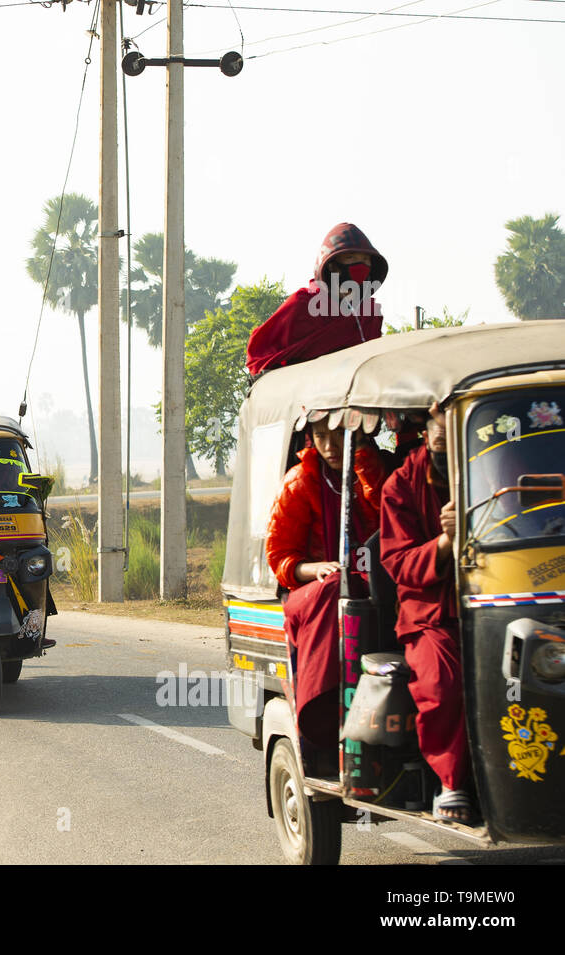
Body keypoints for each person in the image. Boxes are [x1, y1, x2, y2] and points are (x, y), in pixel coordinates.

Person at [266, 416, 387, 757]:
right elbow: (281, 560)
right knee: (338, 587)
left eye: (339, 436)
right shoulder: (300, 481)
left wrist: (362, 460)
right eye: (321, 436)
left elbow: (389, 518)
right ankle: (323, 709)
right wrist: (316, 568)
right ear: (310, 438)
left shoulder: (373, 469)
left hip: (368, 581)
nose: (331, 446)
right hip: (312, 590)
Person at [379, 403, 473, 823]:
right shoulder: (400, 484)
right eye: (435, 421)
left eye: (450, 421)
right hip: (431, 616)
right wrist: (445, 544)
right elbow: (397, 563)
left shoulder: (492, 468)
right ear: (424, 423)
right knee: (443, 682)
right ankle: (451, 784)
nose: (440, 431)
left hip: (498, 600)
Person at [246, 223, 389, 377]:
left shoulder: (369, 314)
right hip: (308, 395)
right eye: (351, 257)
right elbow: (259, 357)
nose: (361, 265)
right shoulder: (303, 305)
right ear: (333, 266)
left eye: (366, 260)